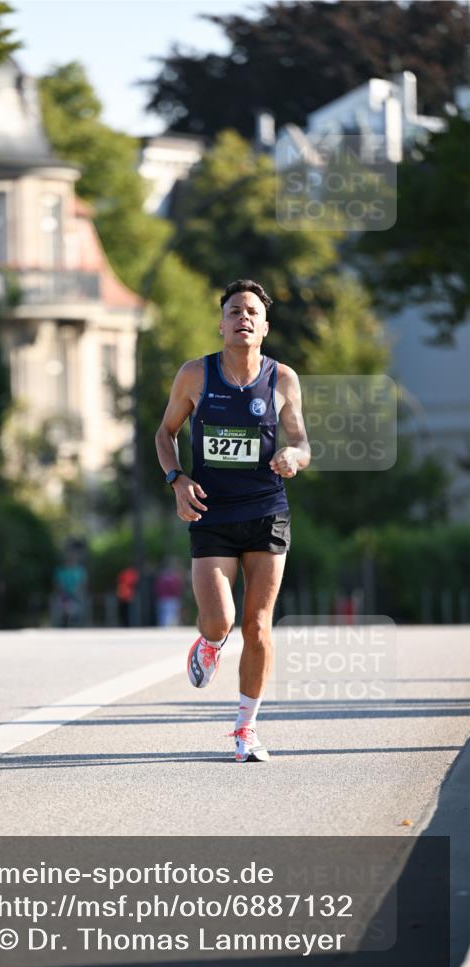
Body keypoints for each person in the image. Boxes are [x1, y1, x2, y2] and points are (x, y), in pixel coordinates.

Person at [155, 279, 310, 762]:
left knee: (259, 627)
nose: (243, 318)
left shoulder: (282, 378)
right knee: (221, 620)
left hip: (266, 510)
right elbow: (165, 433)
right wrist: (177, 479)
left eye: (251, 313)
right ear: (221, 324)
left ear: (265, 327)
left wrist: (293, 456)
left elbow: (302, 442)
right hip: (213, 512)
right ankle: (210, 641)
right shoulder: (194, 376)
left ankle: (246, 729)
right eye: (234, 311)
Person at [155, 558, 185, 627]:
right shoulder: (174, 577)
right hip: (170, 599)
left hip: (166, 598)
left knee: (165, 615)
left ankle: (166, 627)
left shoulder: (163, 577)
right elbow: (178, 588)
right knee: (170, 615)